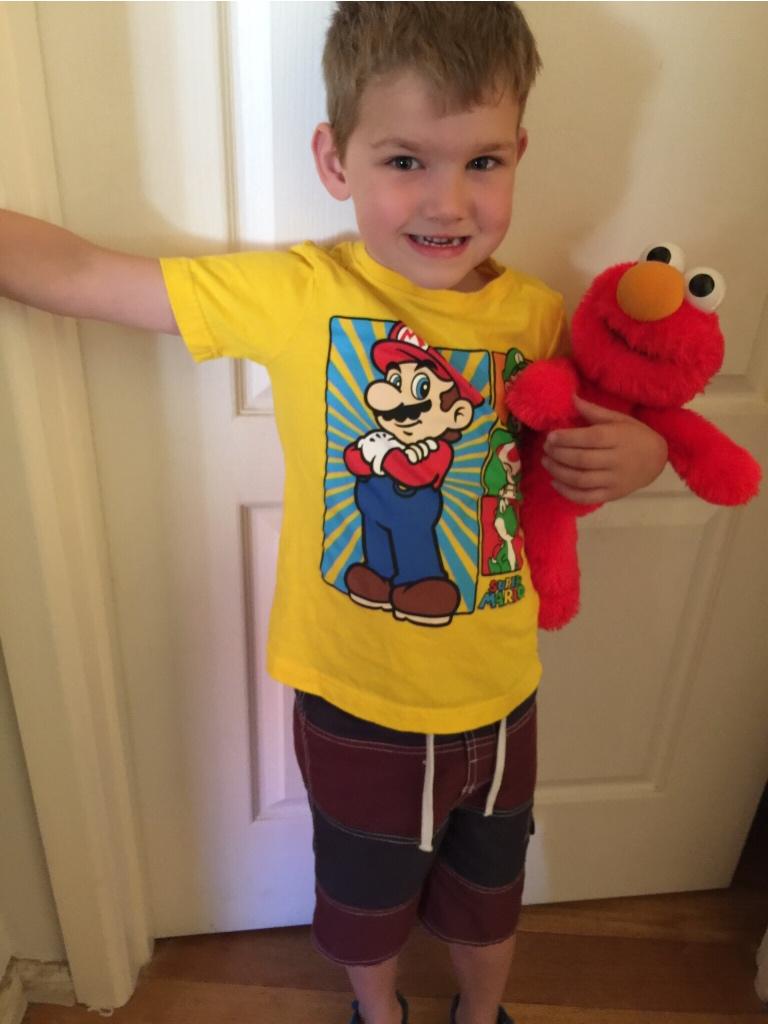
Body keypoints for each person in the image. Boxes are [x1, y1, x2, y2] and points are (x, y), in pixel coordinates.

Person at [0, 4, 668, 1023]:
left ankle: (481, 1013)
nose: (448, 201)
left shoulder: (536, 317)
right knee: (364, 905)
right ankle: (378, 1011)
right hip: (356, 704)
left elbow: (598, 442)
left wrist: (643, 456)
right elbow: (86, 276)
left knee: (492, 899)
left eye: (483, 162)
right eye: (405, 160)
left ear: (519, 154)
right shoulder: (299, 293)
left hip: (499, 696)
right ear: (334, 158)